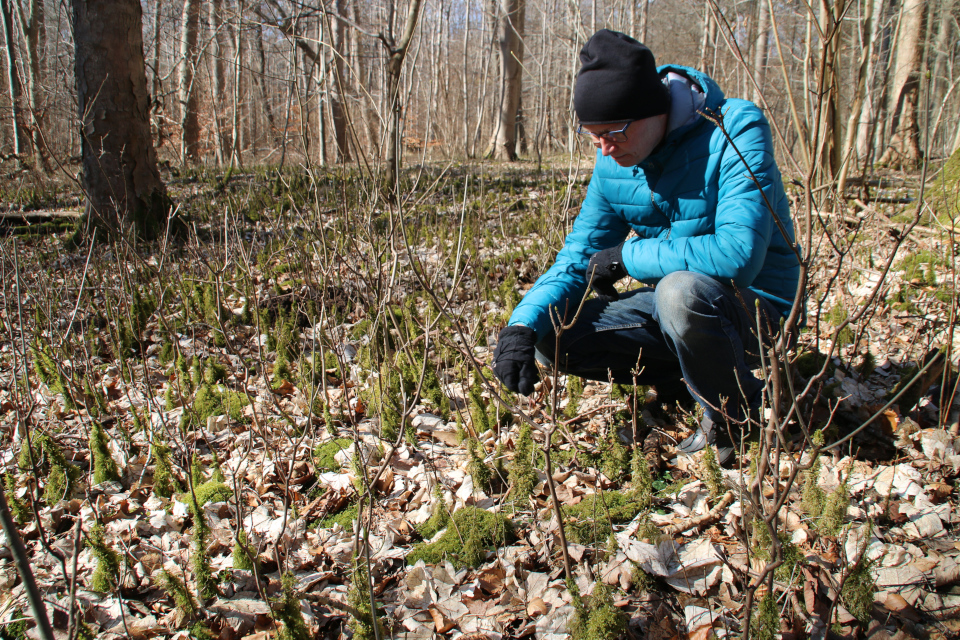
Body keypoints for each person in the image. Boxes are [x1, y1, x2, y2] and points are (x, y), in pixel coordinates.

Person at [491, 29, 800, 464]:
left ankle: (735, 413)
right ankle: (684, 384)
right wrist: (521, 326)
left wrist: (627, 257)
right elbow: (579, 257)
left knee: (678, 293)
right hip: (676, 306)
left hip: (756, 309)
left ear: (651, 111)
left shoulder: (733, 130)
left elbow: (738, 256)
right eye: (593, 136)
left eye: (613, 133)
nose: (604, 148)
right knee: (552, 333)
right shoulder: (612, 162)